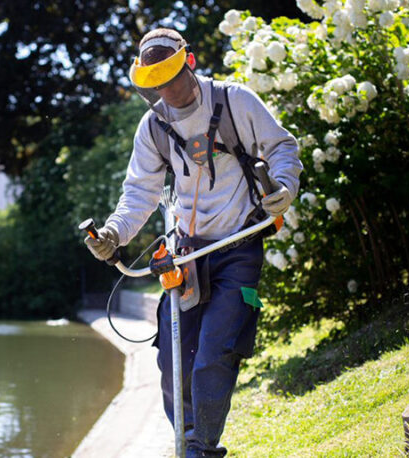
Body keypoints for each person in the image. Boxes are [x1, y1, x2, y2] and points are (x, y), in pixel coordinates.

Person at [84, 28, 302, 457]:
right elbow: (139, 195)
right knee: (172, 362)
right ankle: (187, 444)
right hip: (186, 255)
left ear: (192, 63)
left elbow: (281, 146)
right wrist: (113, 233)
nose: (167, 91)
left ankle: (202, 449)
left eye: (172, 78)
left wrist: (285, 184)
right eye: (156, 85)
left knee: (214, 355)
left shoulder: (235, 101)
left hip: (239, 246)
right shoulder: (154, 128)